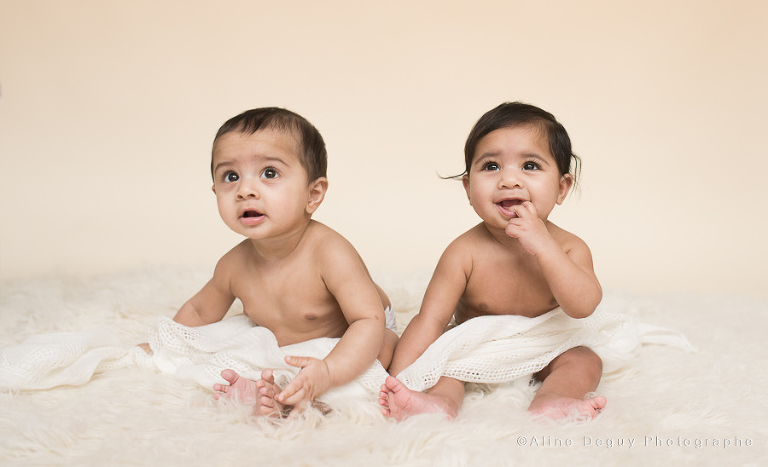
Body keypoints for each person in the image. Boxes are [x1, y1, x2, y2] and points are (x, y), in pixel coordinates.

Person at [145, 107, 398, 418]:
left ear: (313, 194)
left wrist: (329, 371)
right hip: (284, 347)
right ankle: (269, 391)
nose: (245, 191)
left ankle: (302, 398)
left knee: (382, 355)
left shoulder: (330, 253)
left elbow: (366, 320)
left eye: (269, 173)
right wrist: (166, 345)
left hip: (352, 334)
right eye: (231, 177)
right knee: (220, 347)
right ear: (215, 191)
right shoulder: (233, 264)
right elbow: (199, 312)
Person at [379, 102, 605, 421]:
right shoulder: (464, 252)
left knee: (585, 360)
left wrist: (545, 248)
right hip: (473, 350)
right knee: (442, 362)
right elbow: (429, 321)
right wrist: (398, 379)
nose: (509, 180)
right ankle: (439, 404)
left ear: (561, 187)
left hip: (545, 348)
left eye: (530, 165)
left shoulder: (568, 247)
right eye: (491, 167)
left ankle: (553, 401)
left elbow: (583, 306)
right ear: (469, 189)